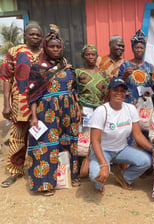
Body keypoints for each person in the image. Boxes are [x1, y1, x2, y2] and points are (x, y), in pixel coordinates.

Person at [27, 24, 81, 196]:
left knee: (68, 142)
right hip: (46, 111)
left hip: (68, 111)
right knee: (45, 145)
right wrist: (34, 116)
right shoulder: (37, 67)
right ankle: (45, 184)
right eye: (52, 46)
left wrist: (78, 108)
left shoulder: (67, 65)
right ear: (45, 47)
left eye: (58, 46)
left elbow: (74, 90)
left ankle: (69, 176)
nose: (56, 49)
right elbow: (32, 94)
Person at [88, 77, 154, 194]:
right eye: (116, 90)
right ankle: (99, 184)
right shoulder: (101, 111)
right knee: (95, 175)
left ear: (125, 93)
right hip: (102, 150)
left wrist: (153, 149)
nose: (119, 93)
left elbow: (138, 135)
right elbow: (95, 141)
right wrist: (104, 164)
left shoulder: (130, 108)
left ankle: (124, 177)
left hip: (121, 149)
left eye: (122, 91)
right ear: (109, 92)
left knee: (146, 161)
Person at [0, 21, 43, 188]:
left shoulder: (46, 54)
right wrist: (6, 104)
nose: (35, 37)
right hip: (20, 104)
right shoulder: (14, 52)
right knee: (17, 137)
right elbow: (6, 78)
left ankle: (38, 171)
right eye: (31, 34)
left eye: (38, 35)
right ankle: (14, 170)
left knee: (40, 138)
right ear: (25, 36)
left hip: (41, 105)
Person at [75, 45, 109, 155]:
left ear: (97, 56)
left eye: (93, 54)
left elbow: (109, 91)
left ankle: (98, 161)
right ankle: (83, 164)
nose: (90, 56)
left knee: (100, 137)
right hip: (84, 111)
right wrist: (77, 108)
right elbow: (72, 91)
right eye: (87, 54)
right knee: (84, 139)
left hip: (100, 110)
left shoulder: (104, 74)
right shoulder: (78, 72)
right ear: (83, 57)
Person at [118, 29, 154, 106]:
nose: (139, 50)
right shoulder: (125, 66)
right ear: (132, 49)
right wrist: (125, 76)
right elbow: (118, 84)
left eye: (141, 48)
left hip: (144, 103)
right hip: (128, 102)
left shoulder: (150, 67)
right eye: (136, 48)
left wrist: (150, 93)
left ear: (145, 49)